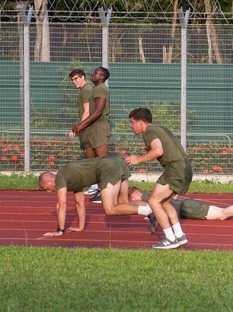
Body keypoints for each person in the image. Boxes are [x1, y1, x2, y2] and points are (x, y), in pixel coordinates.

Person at [125, 107, 194, 249]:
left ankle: (170, 239)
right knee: (164, 202)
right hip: (185, 168)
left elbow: (158, 150)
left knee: (153, 201)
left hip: (174, 169)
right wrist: (150, 150)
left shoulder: (148, 132)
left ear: (140, 122)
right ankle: (179, 235)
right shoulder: (159, 128)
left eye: (132, 122)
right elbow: (166, 146)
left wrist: (137, 159)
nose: (131, 126)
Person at [37, 156, 151, 237]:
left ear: (50, 180)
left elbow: (61, 205)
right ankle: (155, 208)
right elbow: (79, 204)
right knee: (123, 203)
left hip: (108, 167)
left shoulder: (60, 177)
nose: (48, 192)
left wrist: (60, 230)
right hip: (117, 161)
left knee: (110, 209)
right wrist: (80, 227)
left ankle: (150, 211)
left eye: (46, 188)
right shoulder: (70, 178)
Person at [70, 66, 111, 204]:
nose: (92, 74)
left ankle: (106, 191)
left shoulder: (99, 89)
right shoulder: (95, 89)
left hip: (99, 126)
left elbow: (98, 111)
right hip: (94, 127)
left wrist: (81, 125)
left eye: (96, 73)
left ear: (102, 77)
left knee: (102, 161)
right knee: (93, 161)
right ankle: (98, 188)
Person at [129, 188, 233, 226]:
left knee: (222, 215)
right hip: (187, 207)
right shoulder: (152, 194)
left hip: (188, 208)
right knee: (222, 214)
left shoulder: (147, 197)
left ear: (135, 196)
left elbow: (153, 208)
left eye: (132, 200)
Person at [67, 68, 99, 197]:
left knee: (91, 157)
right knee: (91, 157)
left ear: (82, 77)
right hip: (89, 127)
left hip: (89, 128)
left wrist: (79, 127)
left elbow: (87, 110)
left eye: (76, 79)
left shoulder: (86, 90)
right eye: (72, 80)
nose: (74, 82)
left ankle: (96, 186)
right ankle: (96, 185)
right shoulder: (86, 90)